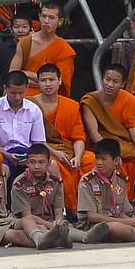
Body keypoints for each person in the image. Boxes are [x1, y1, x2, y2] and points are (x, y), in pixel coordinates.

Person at [29, 62, 93, 214]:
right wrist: (53, 152)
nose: (48, 84)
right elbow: (32, 139)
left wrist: (78, 157)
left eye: (51, 80)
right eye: (43, 80)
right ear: (38, 82)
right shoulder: (30, 104)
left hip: (68, 149)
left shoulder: (71, 105)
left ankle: (92, 209)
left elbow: (78, 138)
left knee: (91, 161)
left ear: (60, 81)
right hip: (43, 149)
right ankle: (67, 210)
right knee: (54, 165)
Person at [76, 140, 135, 243]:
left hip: (119, 220)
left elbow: (122, 212)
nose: (99, 162)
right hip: (98, 225)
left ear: (116, 160)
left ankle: (133, 232)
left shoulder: (120, 180)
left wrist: (131, 221)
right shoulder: (87, 181)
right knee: (117, 228)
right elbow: (92, 217)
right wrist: (126, 222)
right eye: (97, 158)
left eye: (104, 159)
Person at [80, 63, 135, 188]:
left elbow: (132, 127)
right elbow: (94, 132)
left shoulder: (129, 99)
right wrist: (111, 152)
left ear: (123, 84)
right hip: (101, 144)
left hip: (123, 143)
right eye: (107, 79)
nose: (110, 84)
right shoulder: (90, 101)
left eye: (115, 81)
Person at [0, 71, 46, 181]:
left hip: (28, 153)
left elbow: (38, 142)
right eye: (13, 93)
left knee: (50, 167)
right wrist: (7, 155)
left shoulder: (34, 110)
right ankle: (2, 198)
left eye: (21, 93)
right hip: (2, 152)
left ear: (27, 88)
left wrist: (29, 157)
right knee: (3, 169)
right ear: (5, 88)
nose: (17, 97)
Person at [8, 0, 76, 95]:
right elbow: (13, 75)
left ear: (60, 21)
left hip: (49, 98)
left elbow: (59, 82)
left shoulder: (64, 49)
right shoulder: (25, 43)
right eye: (44, 16)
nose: (46, 21)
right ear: (39, 17)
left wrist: (25, 73)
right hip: (22, 95)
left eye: (51, 18)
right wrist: (42, 82)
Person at [10, 143, 70, 237]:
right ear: (27, 163)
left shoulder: (55, 182)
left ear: (49, 163)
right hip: (29, 223)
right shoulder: (20, 184)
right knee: (42, 229)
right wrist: (50, 225)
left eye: (41, 162)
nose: (37, 166)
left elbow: (58, 210)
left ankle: (85, 237)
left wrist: (58, 221)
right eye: (33, 162)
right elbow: (26, 215)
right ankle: (55, 239)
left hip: (50, 221)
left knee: (69, 227)